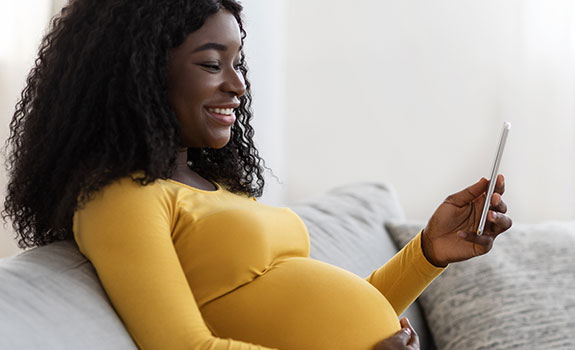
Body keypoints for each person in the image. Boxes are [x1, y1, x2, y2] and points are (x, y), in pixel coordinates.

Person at [3, 1, 512, 349]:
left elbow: (299, 314)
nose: (238, 85)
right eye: (211, 65)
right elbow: (185, 346)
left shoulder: (215, 187)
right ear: (138, 73)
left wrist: (428, 252)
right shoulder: (121, 200)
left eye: (238, 63)